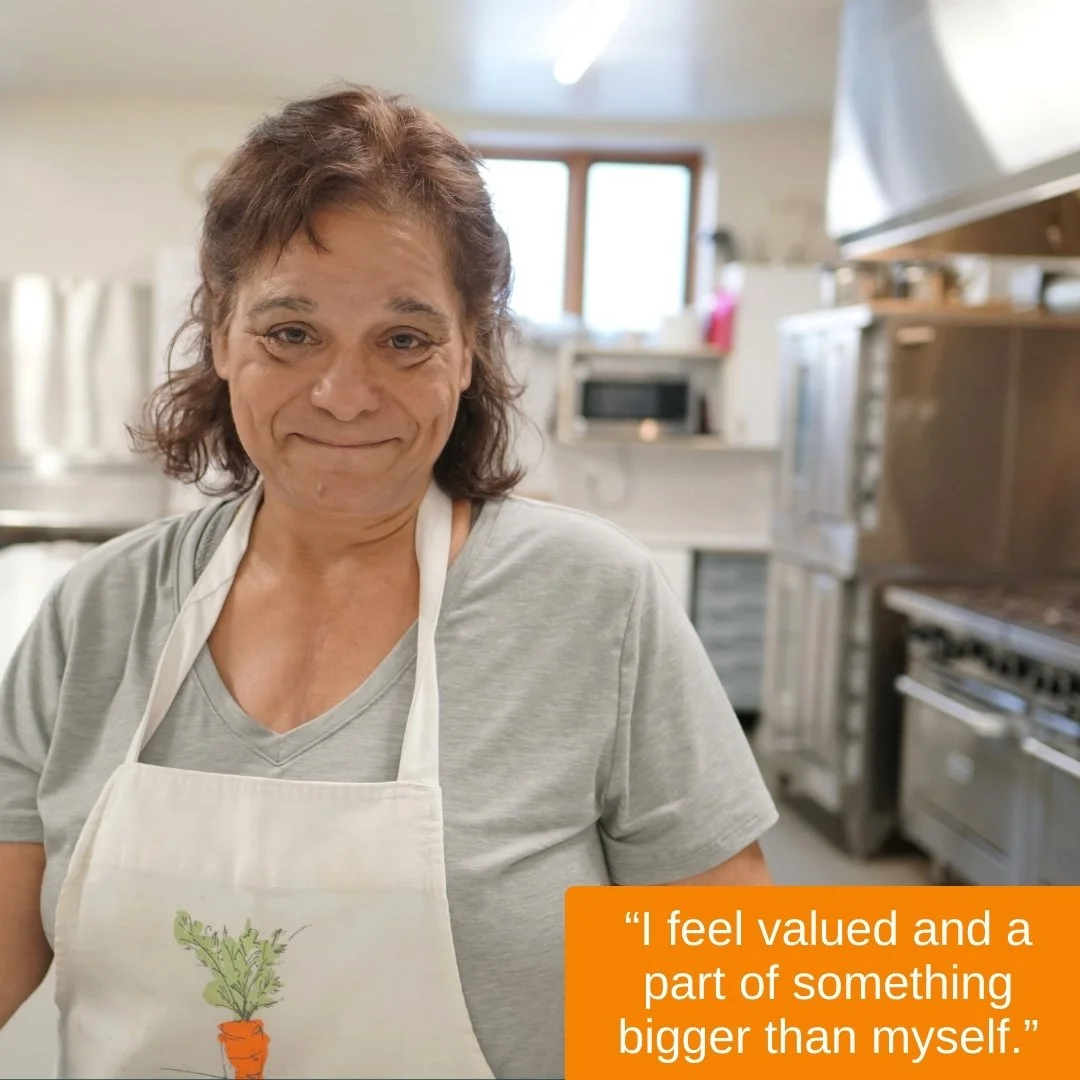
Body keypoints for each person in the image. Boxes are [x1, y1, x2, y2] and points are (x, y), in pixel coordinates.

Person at [0, 85, 777, 1079]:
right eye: (292, 333)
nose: (344, 394)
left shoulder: (591, 603)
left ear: (469, 354)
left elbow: (737, 1000)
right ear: (223, 333)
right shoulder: (98, 613)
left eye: (404, 340)